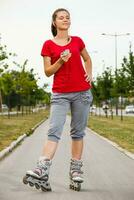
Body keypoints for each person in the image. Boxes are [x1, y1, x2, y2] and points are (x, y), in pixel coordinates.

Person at [23, 8, 93, 192]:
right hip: (60, 94)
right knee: (54, 130)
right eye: (61, 17)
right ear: (54, 22)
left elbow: (87, 58)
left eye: (67, 17)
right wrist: (61, 61)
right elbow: (47, 72)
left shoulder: (77, 41)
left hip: (82, 93)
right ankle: (42, 168)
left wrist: (89, 74)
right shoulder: (48, 45)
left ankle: (75, 170)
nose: (65, 19)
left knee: (78, 132)